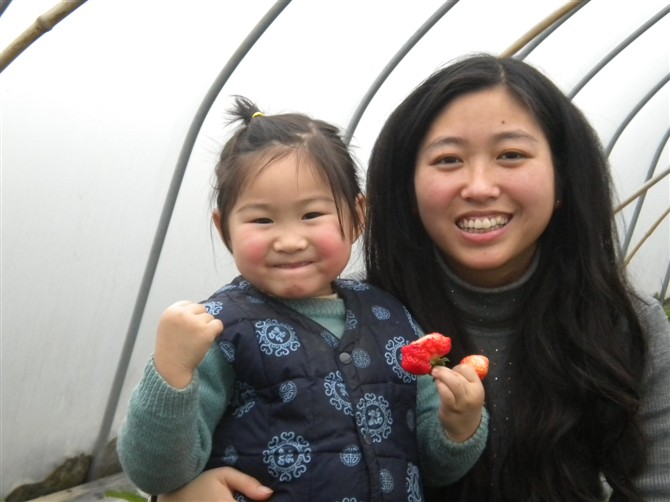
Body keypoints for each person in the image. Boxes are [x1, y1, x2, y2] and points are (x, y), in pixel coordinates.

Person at [157, 54, 670, 502]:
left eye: (511, 155)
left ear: (563, 179)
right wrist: (179, 492)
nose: (479, 186)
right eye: (448, 160)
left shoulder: (627, 326)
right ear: (407, 187)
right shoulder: (369, 318)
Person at [117, 96, 488, 501]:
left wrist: (460, 425)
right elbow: (158, 474)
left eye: (311, 215)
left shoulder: (392, 317)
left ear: (357, 216)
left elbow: (435, 467)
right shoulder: (217, 331)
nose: (290, 241)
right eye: (262, 220)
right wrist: (171, 371)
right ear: (225, 230)